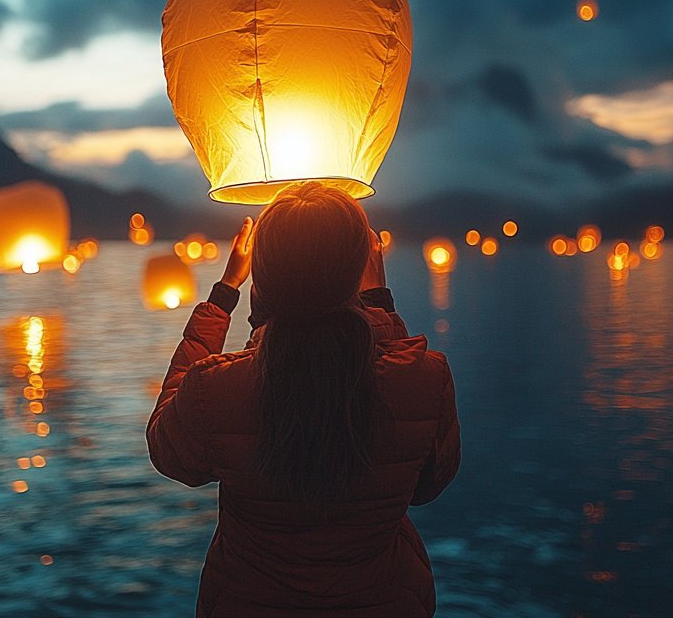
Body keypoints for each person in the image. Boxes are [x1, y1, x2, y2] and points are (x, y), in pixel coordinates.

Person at [147, 183, 461, 617]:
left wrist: (224, 295)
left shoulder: (215, 389)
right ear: (363, 264)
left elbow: (169, 454)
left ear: (263, 272)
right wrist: (380, 304)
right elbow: (427, 486)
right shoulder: (424, 378)